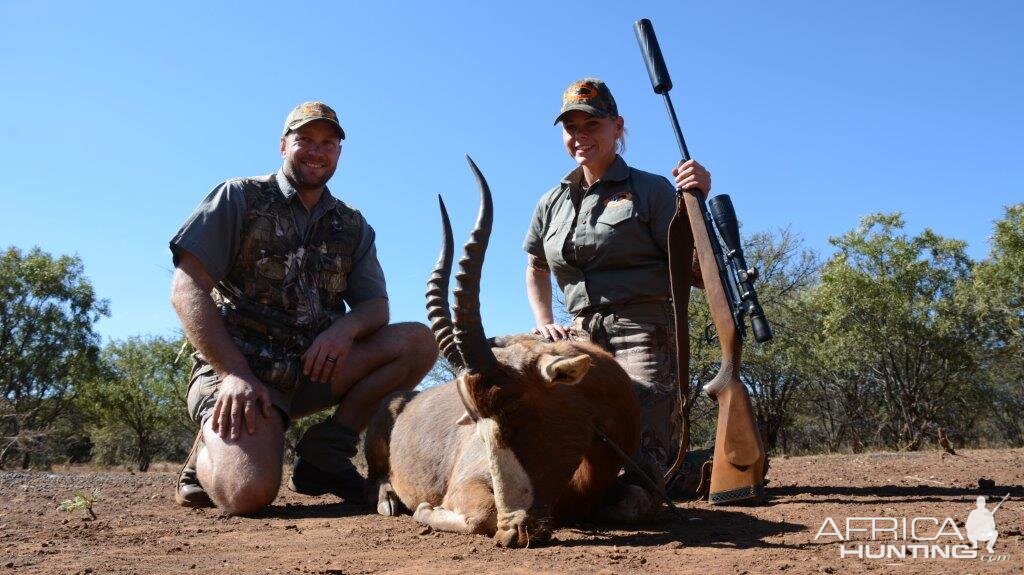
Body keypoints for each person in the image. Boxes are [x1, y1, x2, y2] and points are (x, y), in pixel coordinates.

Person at [169, 101, 438, 515]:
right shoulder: (239, 197)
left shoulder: (351, 224)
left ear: (339, 153)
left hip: (310, 368)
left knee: (417, 342)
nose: (317, 151)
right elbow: (186, 291)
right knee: (247, 494)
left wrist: (342, 330)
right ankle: (207, 451)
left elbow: (375, 307)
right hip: (241, 375)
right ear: (283, 145)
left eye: (328, 143)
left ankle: (326, 453)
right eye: (305, 140)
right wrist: (234, 373)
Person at [523, 78, 710, 511]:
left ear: (617, 127)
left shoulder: (652, 190)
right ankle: (685, 467)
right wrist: (544, 319)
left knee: (636, 454)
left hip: (643, 328)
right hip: (580, 334)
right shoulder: (551, 201)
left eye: (591, 124)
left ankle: (671, 471)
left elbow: (697, 268)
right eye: (570, 127)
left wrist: (697, 202)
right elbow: (535, 265)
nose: (579, 136)